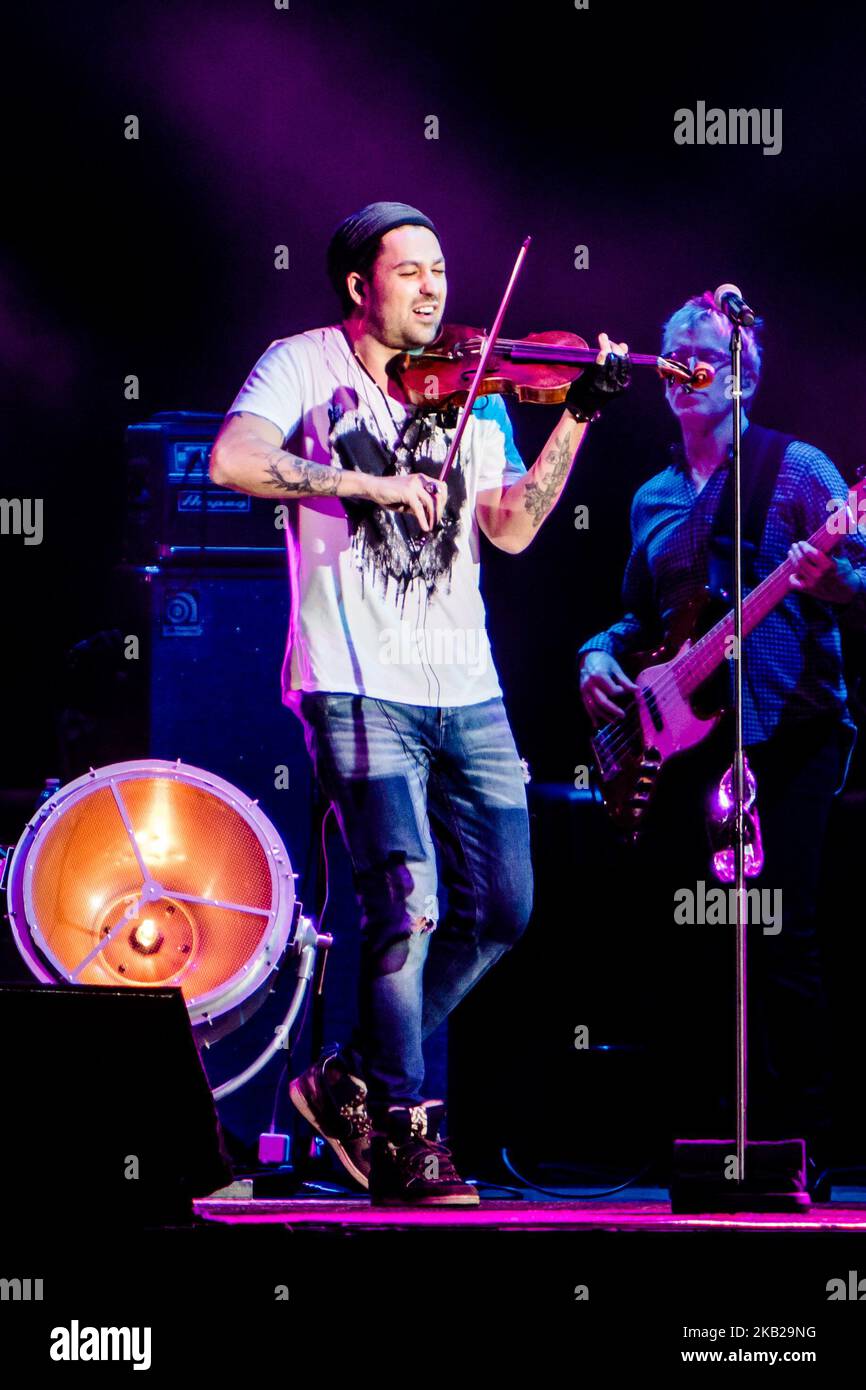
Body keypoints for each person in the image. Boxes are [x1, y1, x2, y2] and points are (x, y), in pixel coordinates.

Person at [211, 201, 630, 1205]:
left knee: (503, 908)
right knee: (406, 904)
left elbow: (514, 526)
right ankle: (402, 1125)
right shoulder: (302, 364)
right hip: (355, 679)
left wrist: (574, 414)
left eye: (440, 270)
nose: (434, 289)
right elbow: (233, 460)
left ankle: (348, 1078)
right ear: (359, 287)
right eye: (409, 272)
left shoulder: (472, 389)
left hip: (465, 684)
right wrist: (364, 485)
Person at [577, 291, 866, 1197]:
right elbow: (637, 619)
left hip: (793, 729)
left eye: (699, 353)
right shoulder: (653, 496)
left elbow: (855, 569)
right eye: (671, 355)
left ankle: (806, 1146)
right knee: (698, 940)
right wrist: (594, 656)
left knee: (783, 934)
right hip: (690, 738)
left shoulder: (796, 468)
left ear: (739, 375)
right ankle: (708, 1141)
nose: (680, 368)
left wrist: (834, 582)